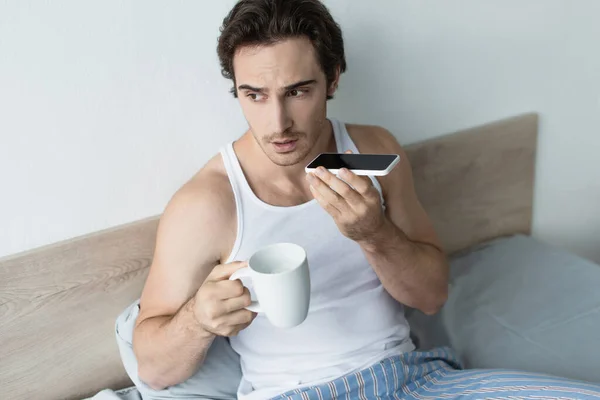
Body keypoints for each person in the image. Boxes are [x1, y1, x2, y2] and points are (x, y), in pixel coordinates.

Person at [131, 1, 600, 399]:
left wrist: (375, 234)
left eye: (297, 92)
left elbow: (432, 296)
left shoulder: (374, 152)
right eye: (254, 95)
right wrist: (197, 320)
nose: (277, 123)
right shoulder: (209, 203)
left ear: (332, 79)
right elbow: (151, 367)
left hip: (413, 379)